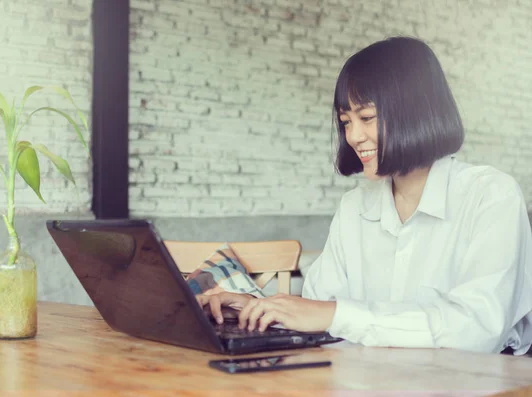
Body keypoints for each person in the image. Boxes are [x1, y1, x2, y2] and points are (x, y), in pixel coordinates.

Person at [197, 36, 532, 355]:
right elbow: (318, 310)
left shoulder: (490, 196)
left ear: (415, 110)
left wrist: (335, 315)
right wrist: (261, 308)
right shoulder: (354, 207)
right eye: (345, 121)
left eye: (367, 117)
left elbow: (475, 329)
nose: (354, 136)